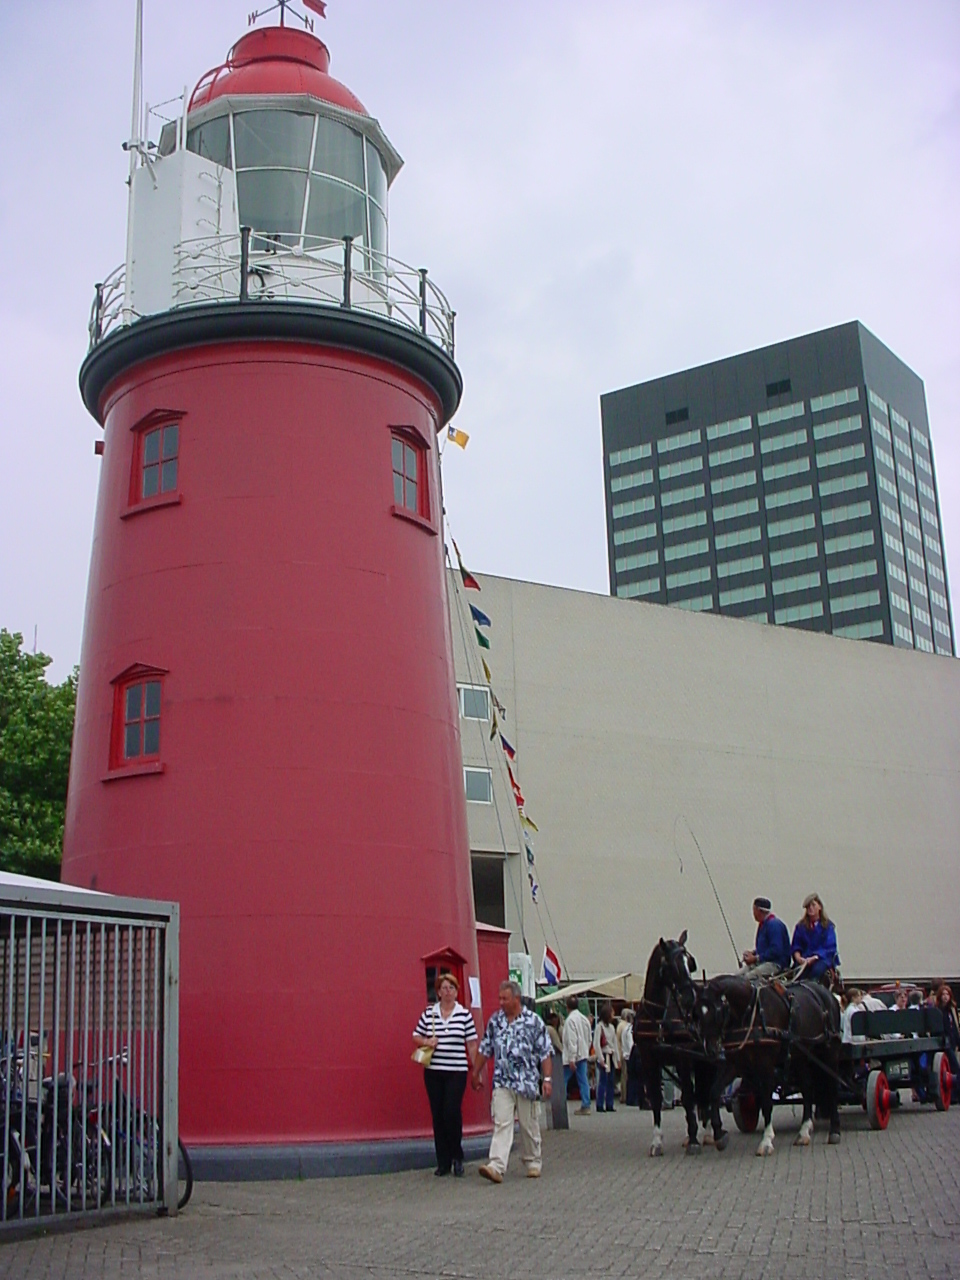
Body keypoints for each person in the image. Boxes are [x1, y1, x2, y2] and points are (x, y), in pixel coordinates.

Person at [472, 980, 552, 1183]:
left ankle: (533, 1161)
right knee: (502, 1123)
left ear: (516, 999)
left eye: (505, 999)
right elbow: (485, 1048)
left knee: (528, 1124)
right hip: (502, 1081)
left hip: (526, 1083)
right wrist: (475, 1072)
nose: (501, 1002)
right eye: (499, 998)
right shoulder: (495, 1021)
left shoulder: (533, 1021)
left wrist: (547, 1079)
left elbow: (545, 1052)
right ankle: (496, 1165)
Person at [412, 973, 479, 1178]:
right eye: (444, 988)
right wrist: (426, 1041)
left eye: (451, 988)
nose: (448, 992)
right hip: (433, 1071)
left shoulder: (464, 1015)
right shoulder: (429, 1013)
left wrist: (477, 1070)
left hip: (456, 1071)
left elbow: (472, 1044)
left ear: (457, 992)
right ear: (438, 992)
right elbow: (415, 1035)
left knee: (451, 1112)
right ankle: (443, 1161)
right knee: (438, 1115)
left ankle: (457, 1156)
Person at [739, 897, 791, 980]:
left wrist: (756, 958)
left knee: (747, 977)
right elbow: (765, 948)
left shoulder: (774, 925)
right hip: (762, 962)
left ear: (759, 910)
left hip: (775, 964)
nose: (753, 913)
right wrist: (753, 953)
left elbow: (776, 950)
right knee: (736, 976)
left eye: (754, 910)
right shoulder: (763, 924)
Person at [791, 893, 839, 982]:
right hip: (805, 958)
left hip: (822, 959)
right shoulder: (801, 926)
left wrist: (815, 957)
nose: (811, 908)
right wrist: (798, 958)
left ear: (820, 907)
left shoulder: (827, 926)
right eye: (808, 906)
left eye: (813, 905)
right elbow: (796, 945)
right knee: (798, 973)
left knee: (816, 971)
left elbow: (830, 947)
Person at [561, 994, 593, 1115]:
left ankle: (560, 1104)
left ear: (567, 1007)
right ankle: (586, 1104)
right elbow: (589, 1038)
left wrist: (572, 1057)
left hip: (572, 1056)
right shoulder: (584, 1019)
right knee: (583, 1080)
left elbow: (572, 1040)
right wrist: (586, 1050)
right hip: (583, 1054)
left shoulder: (570, 1020)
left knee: (563, 1080)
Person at [593, 1002, 620, 1112]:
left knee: (611, 1081)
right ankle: (600, 1104)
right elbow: (596, 1044)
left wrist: (617, 1058)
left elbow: (615, 1043)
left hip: (611, 1055)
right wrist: (601, 1058)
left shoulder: (612, 1027)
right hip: (604, 1055)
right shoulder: (599, 1027)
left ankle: (609, 1103)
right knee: (603, 1081)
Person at [935, 984, 960, 1101]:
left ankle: (956, 1094)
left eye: (947, 994)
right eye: (943, 994)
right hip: (945, 1043)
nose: (945, 997)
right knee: (954, 1068)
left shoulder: (951, 1010)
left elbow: (954, 1026)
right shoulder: (938, 1011)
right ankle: (954, 1095)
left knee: (954, 1069)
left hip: (953, 1041)